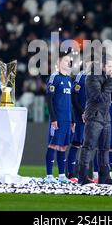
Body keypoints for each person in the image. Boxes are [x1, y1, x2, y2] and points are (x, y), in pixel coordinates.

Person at [77, 53, 112, 185]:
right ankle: (82, 177)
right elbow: (98, 97)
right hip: (94, 115)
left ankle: (104, 177)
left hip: (106, 117)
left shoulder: (107, 78)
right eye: (109, 66)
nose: (111, 69)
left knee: (104, 148)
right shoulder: (91, 77)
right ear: (101, 65)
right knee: (88, 147)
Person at [44, 52, 74, 183]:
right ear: (59, 62)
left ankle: (62, 175)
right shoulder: (54, 78)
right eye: (67, 60)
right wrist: (54, 118)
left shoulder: (69, 79)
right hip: (57, 118)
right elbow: (49, 99)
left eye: (70, 61)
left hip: (67, 119)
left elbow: (70, 101)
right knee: (53, 145)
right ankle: (49, 176)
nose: (69, 63)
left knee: (63, 146)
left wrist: (72, 119)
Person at [66, 65, 87, 182]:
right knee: (76, 144)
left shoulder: (96, 76)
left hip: (90, 117)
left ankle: (83, 174)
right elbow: (73, 97)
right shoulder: (81, 76)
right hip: (80, 117)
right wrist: (81, 112)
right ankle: (71, 174)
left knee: (86, 146)